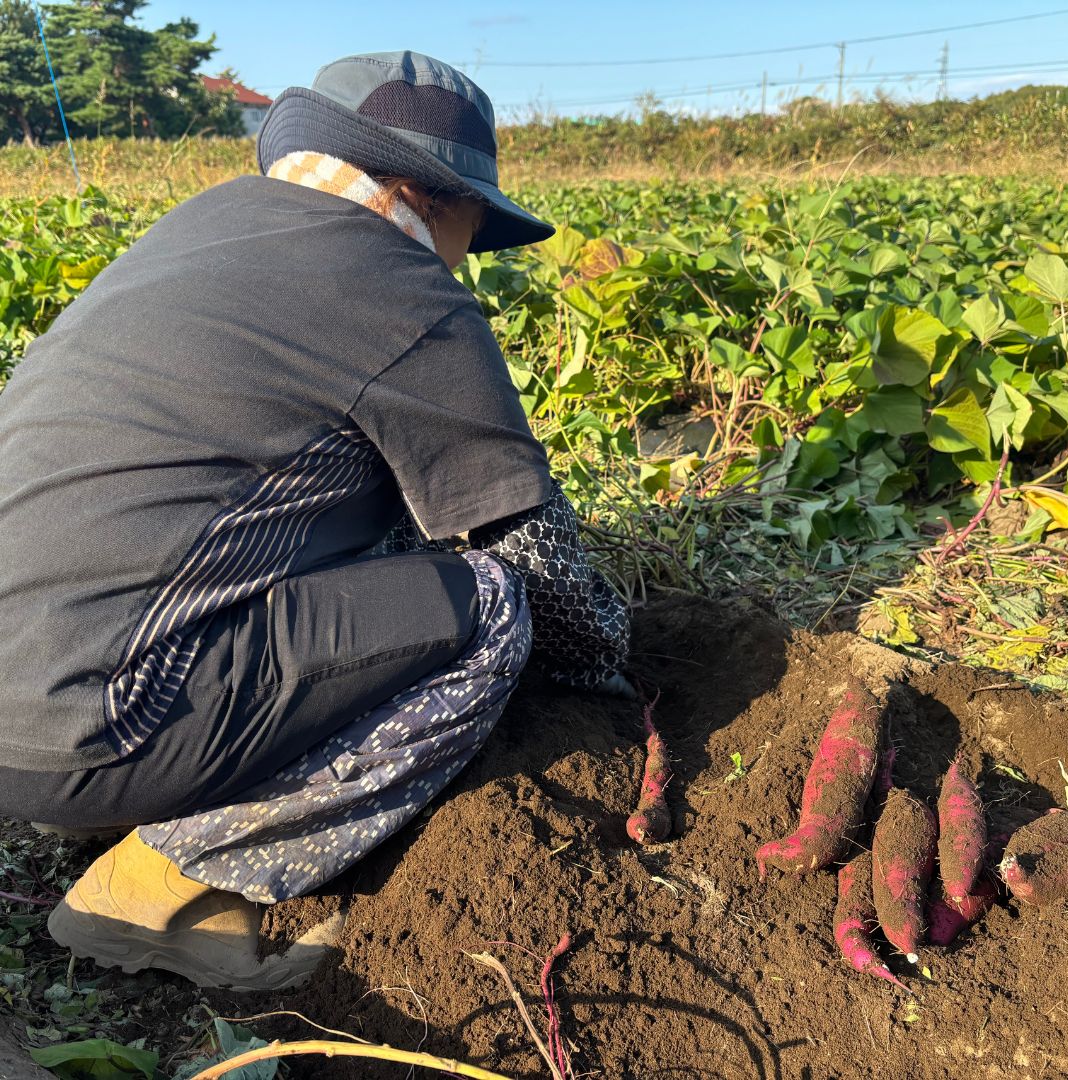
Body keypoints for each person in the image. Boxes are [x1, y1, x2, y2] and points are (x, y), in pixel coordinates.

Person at [0, 51, 630, 990]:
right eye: (475, 225)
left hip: (24, 697)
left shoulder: (201, 227)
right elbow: (530, 559)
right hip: (93, 727)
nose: (469, 255)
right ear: (433, 196)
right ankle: (157, 886)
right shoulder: (411, 293)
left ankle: (109, 792)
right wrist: (615, 673)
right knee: (493, 607)